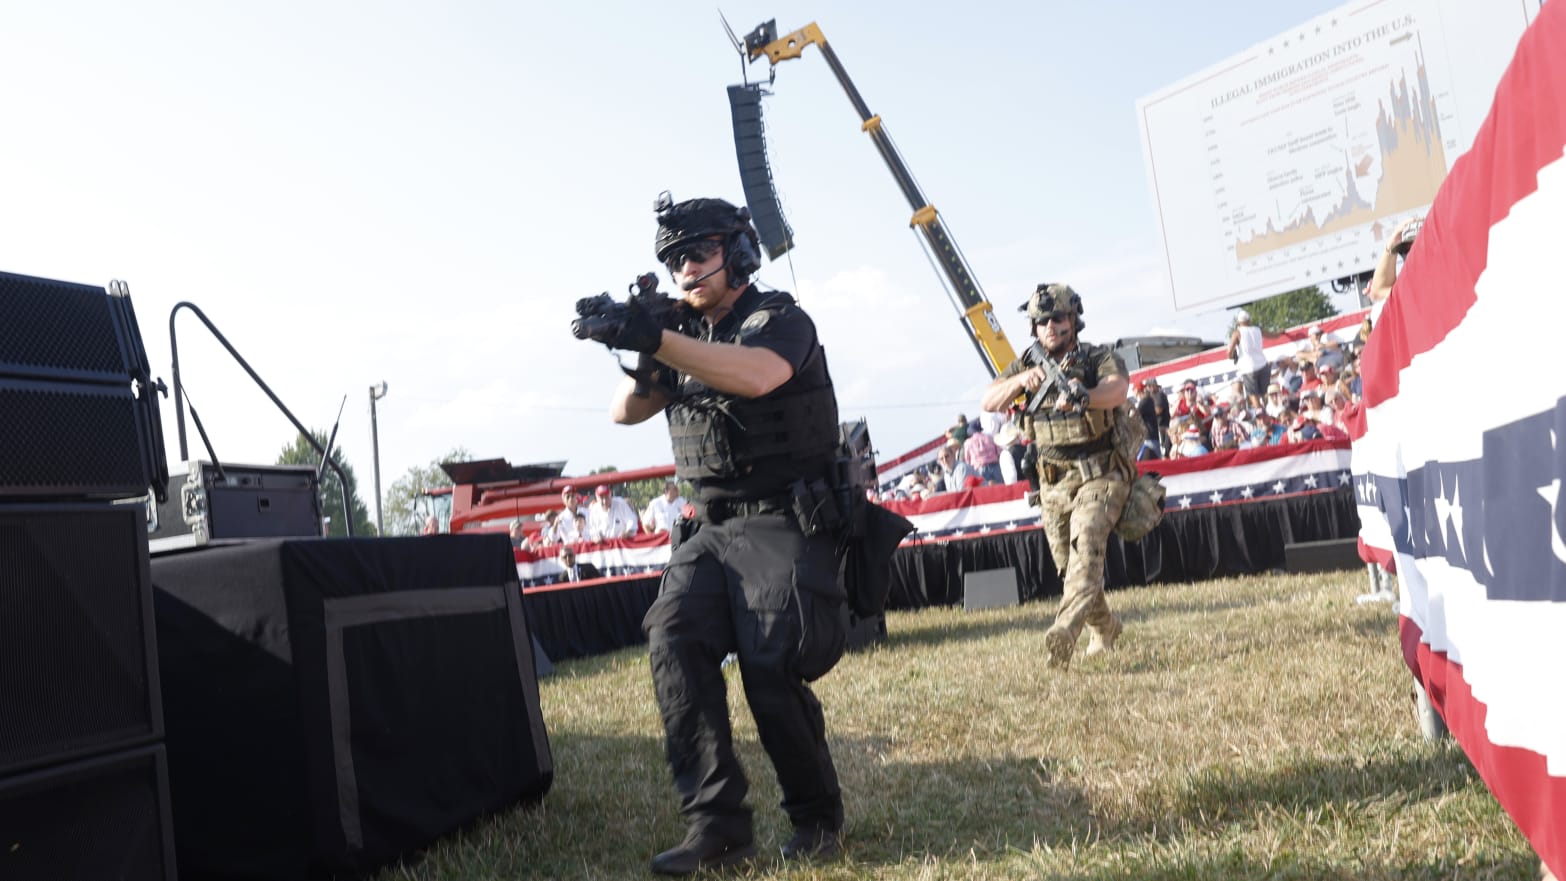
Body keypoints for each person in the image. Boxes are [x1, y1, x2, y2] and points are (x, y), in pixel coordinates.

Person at [578, 193, 851, 873]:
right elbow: (624, 412)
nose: (685, 270)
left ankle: (818, 815)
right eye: (673, 260)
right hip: (715, 526)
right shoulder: (681, 334)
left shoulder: (780, 318)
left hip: (787, 517)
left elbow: (757, 376)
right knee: (671, 636)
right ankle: (717, 825)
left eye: (697, 253)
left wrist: (661, 340)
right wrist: (639, 341)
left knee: (768, 659)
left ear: (739, 252)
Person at [980, 283, 1131, 670]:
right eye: (1042, 320)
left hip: (1099, 472)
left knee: (1086, 550)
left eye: (1058, 318)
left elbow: (1117, 390)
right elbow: (988, 400)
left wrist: (1086, 395)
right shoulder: (1027, 364)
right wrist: (1018, 381)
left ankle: (1064, 631)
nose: (1050, 325)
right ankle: (1107, 627)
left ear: (1073, 321)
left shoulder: (1097, 357)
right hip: (1052, 482)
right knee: (1070, 565)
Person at [1229, 309, 1270, 399]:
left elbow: (1229, 352)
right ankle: (1267, 411)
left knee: (1253, 395)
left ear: (1238, 322)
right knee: (1266, 394)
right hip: (1263, 364)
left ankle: (1260, 411)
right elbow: (1273, 335)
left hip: (1248, 368)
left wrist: (1233, 356)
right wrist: (1281, 332)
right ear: (1249, 320)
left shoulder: (1237, 333)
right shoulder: (1258, 330)